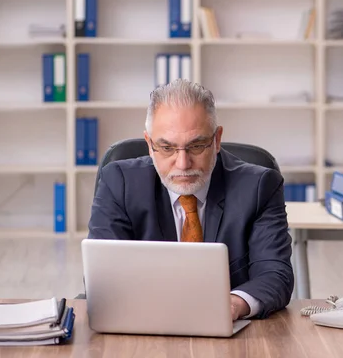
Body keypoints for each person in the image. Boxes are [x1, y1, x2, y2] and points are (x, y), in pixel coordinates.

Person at [87, 79, 294, 320]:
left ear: (216, 140)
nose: (183, 164)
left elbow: (275, 274)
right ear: (149, 144)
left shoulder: (259, 187)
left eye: (196, 146)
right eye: (166, 148)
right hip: (144, 324)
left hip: (228, 331)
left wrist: (234, 304)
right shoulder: (118, 182)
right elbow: (102, 275)